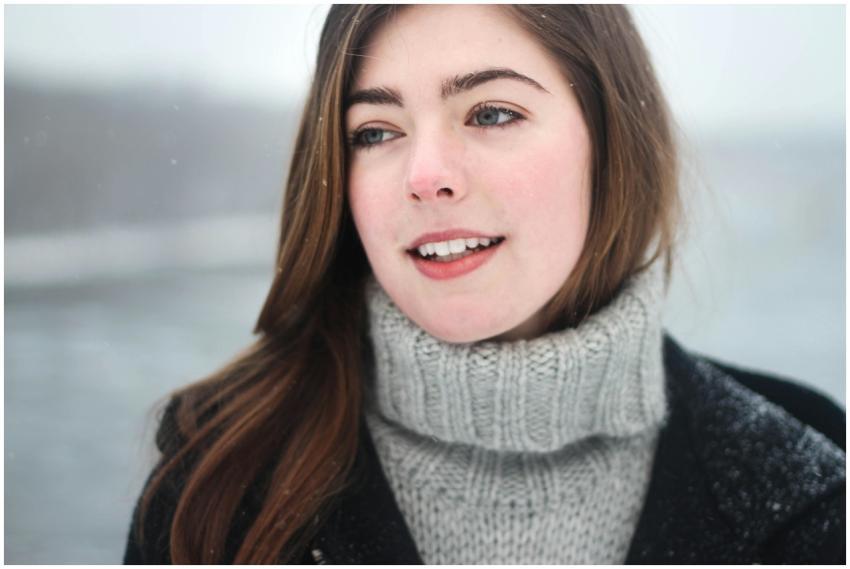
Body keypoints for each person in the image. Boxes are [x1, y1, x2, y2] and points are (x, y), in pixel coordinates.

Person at [123, 5, 845, 564]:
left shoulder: (807, 481)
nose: (424, 175)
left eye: (492, 113)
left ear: (611, 140)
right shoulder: (216, 477)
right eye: (375, 131)